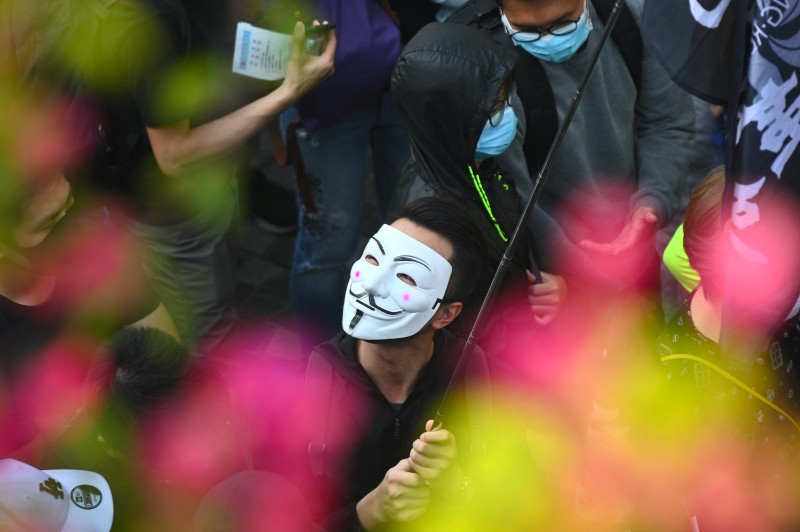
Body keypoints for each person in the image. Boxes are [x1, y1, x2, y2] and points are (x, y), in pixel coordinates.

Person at [37, 0, 335, 351]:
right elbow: (174, 155)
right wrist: (290, 91)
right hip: (172, 208)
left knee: (216, 285)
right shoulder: (151, 25)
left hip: (193, 182)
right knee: (209, 334)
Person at [451, 0, 694, 315]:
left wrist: (652, 203)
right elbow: (508, 190)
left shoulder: (628, 15)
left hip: (632, 244)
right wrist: (584, 278)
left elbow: (667, 122)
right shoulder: (482, 62)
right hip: (548, 275)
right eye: (527, 31)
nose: (548, 39)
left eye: (564, 23)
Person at [302, 197, 493, 530]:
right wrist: (369, 512)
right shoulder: (319, 380)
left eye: (406, 276)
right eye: (373, 258)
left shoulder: (467, 370)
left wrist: (454, 485)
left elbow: (497, 500)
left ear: (446, 314)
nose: (373, 283)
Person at [391, 21, 567, 327]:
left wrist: (543, 291)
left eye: (507, 99)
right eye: (494, 108)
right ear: (450, 119)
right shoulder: (431, 223)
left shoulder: (475, 166)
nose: (509, 113)